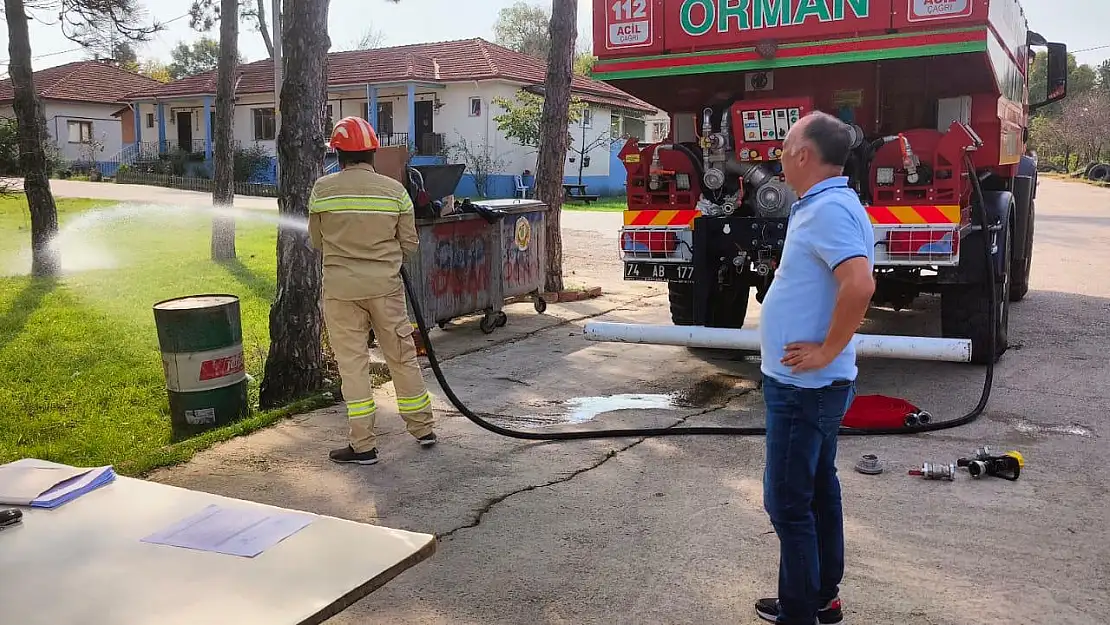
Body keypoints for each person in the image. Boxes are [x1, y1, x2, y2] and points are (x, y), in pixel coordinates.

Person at [754, 111, 876, 625]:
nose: (779, 155)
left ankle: (800, 612)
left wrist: (825, 351)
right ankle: (819, 596)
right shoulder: (826, 204)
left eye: (785, 146)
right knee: (818, 489)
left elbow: (860, 284)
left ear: (805, 155)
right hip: (813, 387)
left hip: (805, 388)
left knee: (786, 502)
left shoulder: (828, 211)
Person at [308, 115, 437, 466]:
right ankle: (422, 428)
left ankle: (363, 445)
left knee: (353, 366)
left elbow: (317, 240)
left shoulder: (322, 189)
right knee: (402, 357)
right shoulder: (395, 191)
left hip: (341, 291)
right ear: (372, 153)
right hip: (385, 289)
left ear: (338, 154)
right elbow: (409, 244)